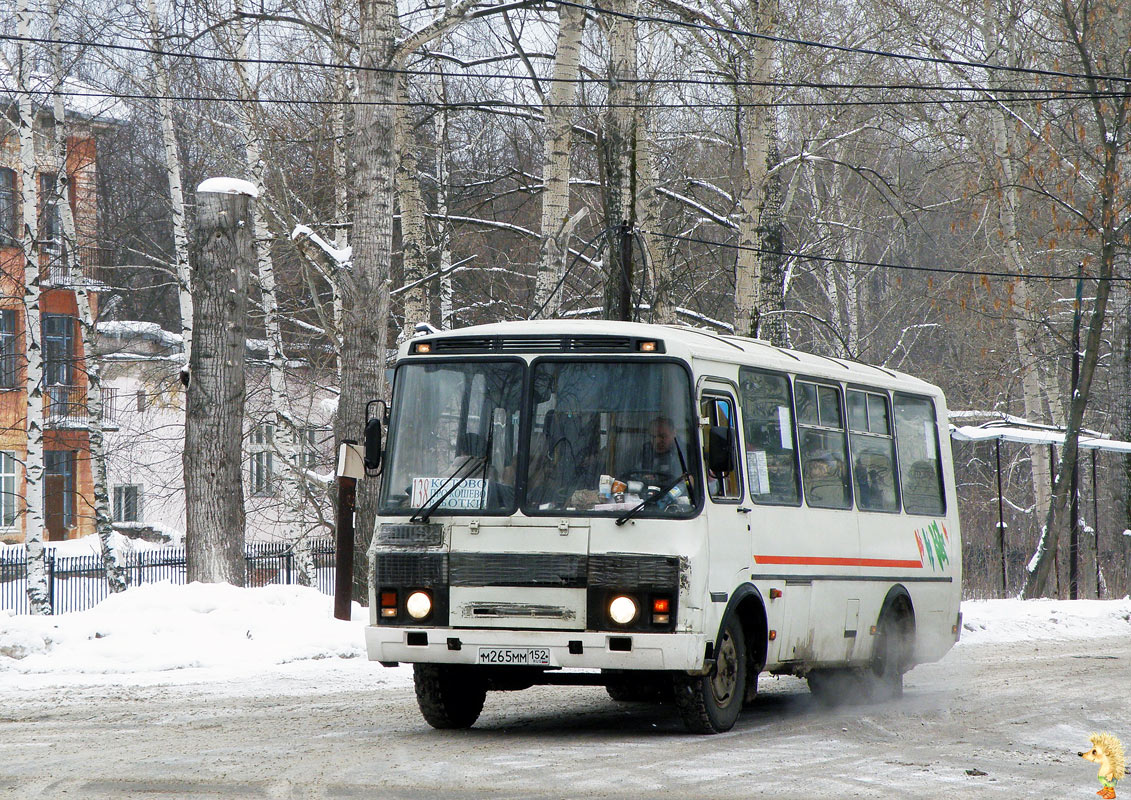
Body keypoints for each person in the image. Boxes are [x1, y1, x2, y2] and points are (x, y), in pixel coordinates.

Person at [632, 415, 685, 485]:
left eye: (662, 436)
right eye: (653, 437)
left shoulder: (685, 452)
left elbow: (689, 481)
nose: (657, 441)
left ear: (674, 433)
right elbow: (634, 474)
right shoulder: (646, 451)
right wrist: (643, 477)